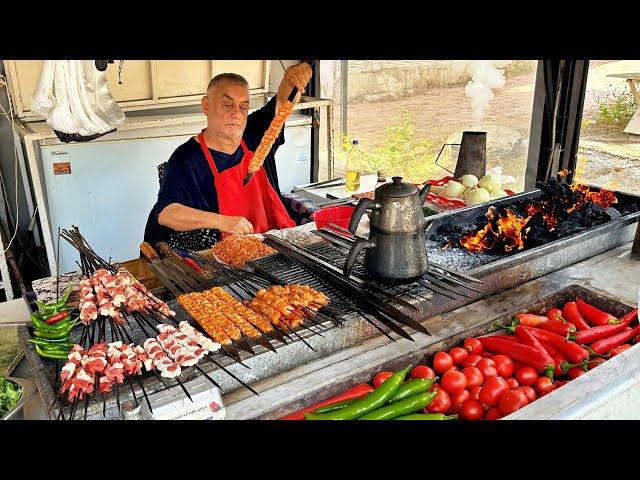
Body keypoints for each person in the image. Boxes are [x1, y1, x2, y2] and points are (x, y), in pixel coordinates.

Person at [143, 62, 313, 251]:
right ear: (206, 105)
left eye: (243, 107)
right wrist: (222, 221)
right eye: (227, 105)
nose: (236, 114)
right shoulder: (186, 158)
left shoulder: (256, 133)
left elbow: (284, 101)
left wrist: (292, 77)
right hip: (226, 256)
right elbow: (167, 213)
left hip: (277, 244)